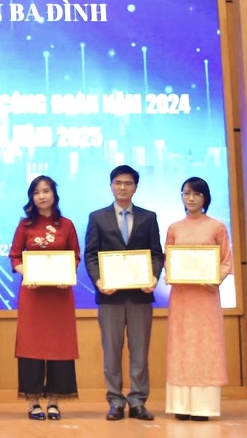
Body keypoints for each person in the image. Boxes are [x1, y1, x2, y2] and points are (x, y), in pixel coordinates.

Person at [84, 164, 165, 422]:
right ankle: (116, 401)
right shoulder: (97, 217)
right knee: (112, 351)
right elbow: (90, 255)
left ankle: (138, 401)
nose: (122, 187)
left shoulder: (148, 217)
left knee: (140, 351)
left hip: (140, 295)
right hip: (110, 296)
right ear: (111, 186)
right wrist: (99, 281)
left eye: (128, 183)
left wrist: (153, 277)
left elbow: (156, 254)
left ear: (135, 187)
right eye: (118, 183)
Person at [10, 175, 81, 420]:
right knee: (31, 346)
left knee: (59, 346)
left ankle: (53, 402)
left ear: (54, 194)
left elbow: (75, 256)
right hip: (33, 295)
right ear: (31, 197)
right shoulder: (25, 225)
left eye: (46, 191)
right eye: (37, 192)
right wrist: (28, 273)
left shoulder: (67, 225)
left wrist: (67, 274)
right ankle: (33, 402)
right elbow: (15, 257)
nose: (41, 196)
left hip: (60, 296)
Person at [165, 177, 233, 421]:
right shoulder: (174, 228)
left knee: (205, 345)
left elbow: (226, 261)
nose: (191, 198)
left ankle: (203, 407)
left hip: (206, 296)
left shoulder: (217, 227)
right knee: (181, 346)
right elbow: (168, 259)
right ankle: (181, 406)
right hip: (182, 297)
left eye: (196, 194)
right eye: (186, 193)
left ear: (205, 197)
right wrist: (171, 272)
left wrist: (216, 279)